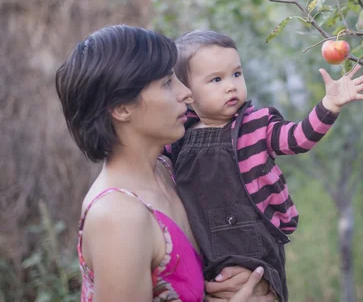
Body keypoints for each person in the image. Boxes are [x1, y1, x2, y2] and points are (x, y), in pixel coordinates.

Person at [55, 25, 274, 302]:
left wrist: (243, 279)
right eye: (168, 83)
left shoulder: (171, 170)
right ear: (122, 108)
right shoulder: (119, 217)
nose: (187, 93)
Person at [165, 30, 363, 301]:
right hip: (205, 250)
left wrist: (329, 105)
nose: (231, 85)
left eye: (236, 74)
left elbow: (298, 138)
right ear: (187, 94)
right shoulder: (178, 136)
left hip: (255, 248)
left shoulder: (256, 125)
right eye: (216, 79)